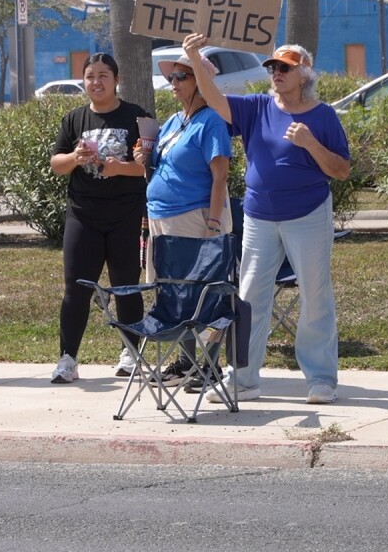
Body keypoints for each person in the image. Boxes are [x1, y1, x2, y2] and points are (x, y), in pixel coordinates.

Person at [189, 32, 351, 404]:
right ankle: (243, 379)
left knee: (314, 294)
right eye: (273, 67)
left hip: (308, 214)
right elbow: (213, 99)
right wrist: (196, 59)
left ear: (304, 74)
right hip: (259, 216)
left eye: (285, 68)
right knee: (249, 297)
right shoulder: (257, 106)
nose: (276, 72)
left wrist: (311, 143)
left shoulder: (322, 116)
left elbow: (341, 170)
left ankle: (321, 378)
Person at [132, 43, 233, 386]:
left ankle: (210, 364)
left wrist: (215, 223)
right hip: (162, 217)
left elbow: (220, 175)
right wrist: (142, 157)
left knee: (204, 290)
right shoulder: (174, 120)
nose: (173, 83)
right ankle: (186, 360)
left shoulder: (212, 122)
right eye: (171, 77)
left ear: (202, 81)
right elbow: (160, 166)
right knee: (172, 290)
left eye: (181, 76)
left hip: (196, 216)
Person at [48, 52, 152, 384]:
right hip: (83, 215)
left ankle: (130, 353)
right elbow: (56, 164)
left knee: (126, 286)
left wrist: (118, 167)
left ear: (116, 79)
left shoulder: (136, 116)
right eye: (90, 76)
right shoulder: (74, 119)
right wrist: (76, 158)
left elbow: (150, 165)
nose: (97, 82)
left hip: (125, 215)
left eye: (103, 75)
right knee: (75, 288)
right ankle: (68, 359)